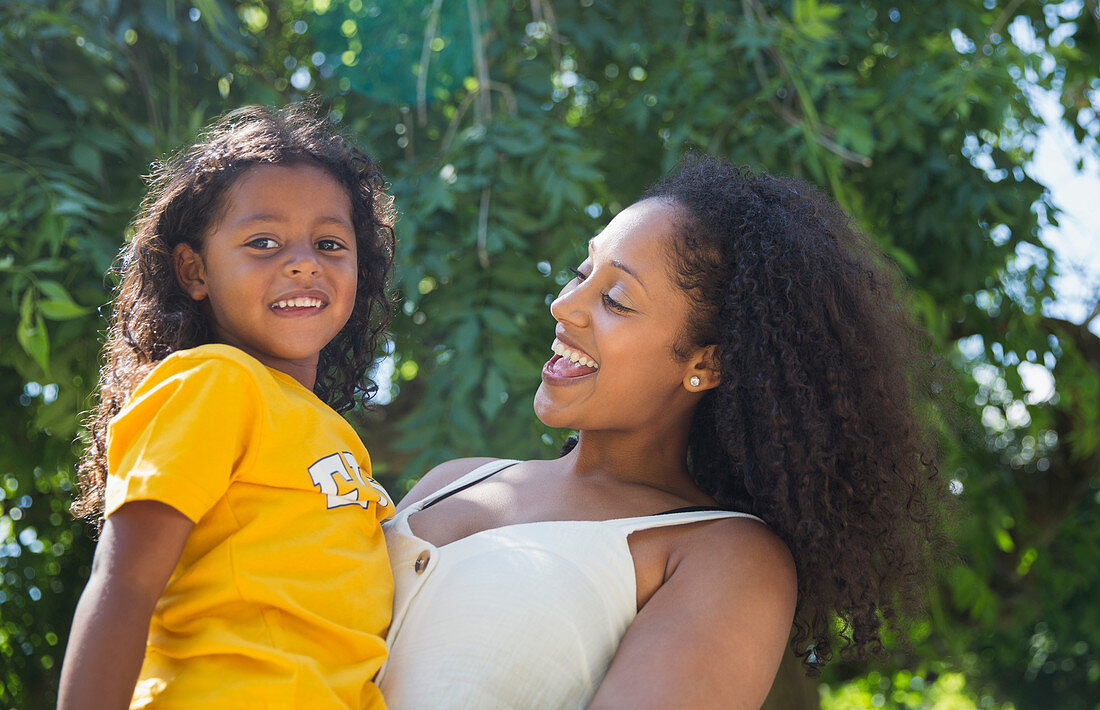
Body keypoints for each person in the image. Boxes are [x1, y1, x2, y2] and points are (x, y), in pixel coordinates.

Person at [377, 157, 948, 709]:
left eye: (616, 300)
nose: (563, 305)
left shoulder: (725, 556)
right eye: (582, 272)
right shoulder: (451, 480)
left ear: (707, 364)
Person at [58, 104, 397, 709]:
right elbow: (125, 583)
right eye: (263, 242)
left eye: (329, 243)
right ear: (194, 270)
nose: (303, 261)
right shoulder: (214, 381)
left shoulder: (334, 436)